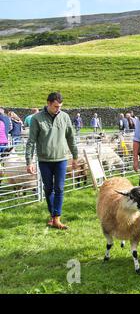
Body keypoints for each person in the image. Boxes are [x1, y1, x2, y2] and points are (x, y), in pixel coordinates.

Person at [25, 92, 78, 230]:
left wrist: (75, 156)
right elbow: (31, 141)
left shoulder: (65, 117)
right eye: (55, 106)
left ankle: (56, 218)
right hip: (44, 159)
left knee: (59, 188)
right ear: (48, 104)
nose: (58, 109)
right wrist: (29, 161)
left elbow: (71, 138)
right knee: (48, 188)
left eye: (60, 106)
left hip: (61, 158)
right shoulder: (37, 118)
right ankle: (53, 215)